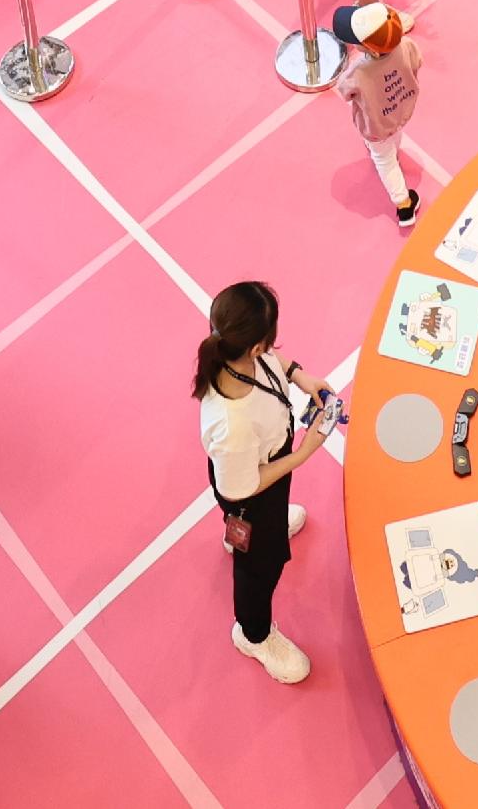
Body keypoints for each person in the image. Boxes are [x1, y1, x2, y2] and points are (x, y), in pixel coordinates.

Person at [195, 280, 331, 684]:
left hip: (264, 470)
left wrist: (301, 376)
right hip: (253, 492)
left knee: (256, 534)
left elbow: (276, 365)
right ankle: (253, 633)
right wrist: (303, 455)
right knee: (260, 567)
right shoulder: (232, 425)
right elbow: (240, 488)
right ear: (253, 345)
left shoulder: (237, 354)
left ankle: (237, 536)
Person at [334, 3, 429, 227]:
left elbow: (344, 91)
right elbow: (418, 62)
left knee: (383, 160)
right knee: (395, 137)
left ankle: (403, 204)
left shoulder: (359, 72)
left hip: (376, 125)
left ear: (371, 50)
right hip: (401, 109)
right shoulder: (406, 45)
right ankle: (394, 152)